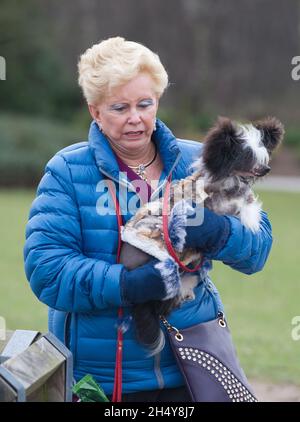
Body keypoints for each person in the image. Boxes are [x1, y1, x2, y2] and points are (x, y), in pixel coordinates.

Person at [24, 36, 273, 402]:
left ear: (157, 101)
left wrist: (219, 232)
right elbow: (47, 272)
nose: (135, 118)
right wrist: (128, 286)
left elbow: (259, 250)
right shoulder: (66, 170)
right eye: (119, 107)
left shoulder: (199, 161)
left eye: (144, 103)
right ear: (95, 111)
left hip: (191, 369)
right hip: (101, 383)